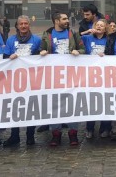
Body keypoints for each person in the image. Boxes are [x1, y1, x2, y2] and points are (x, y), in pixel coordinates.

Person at [40, 11, 85, 146]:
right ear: (56, 20)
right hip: (53, 75)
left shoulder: (73, 33)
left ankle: (73, 133)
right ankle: (56, 134)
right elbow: (41, 50)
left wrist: (78, 52)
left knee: (72, 103)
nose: (67, 21)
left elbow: (83, 49)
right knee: (54, 104)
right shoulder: (47, 34)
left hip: (71, 74)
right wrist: (42, 52)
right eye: (64, 19)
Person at [2, 15, 43, 146]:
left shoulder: (36, 39)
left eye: (26, 23)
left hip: (31, 79)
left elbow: (42, 54)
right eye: (21, 24)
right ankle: (15, 136)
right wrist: (10, 57)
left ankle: (30, 136)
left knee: (31, 107)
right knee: (15, 107)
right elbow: (5, 57)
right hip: (15, 79)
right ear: (17, 26)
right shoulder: (10, 40)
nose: (24, 26)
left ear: (29, 25)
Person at [80, 19, 112, 139]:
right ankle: (90, 128)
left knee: (106, 102)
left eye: (101, 26)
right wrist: (87, 31)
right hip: (91, 75)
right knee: (92, 102)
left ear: (105, 28)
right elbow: (76, 38)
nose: (99, 27)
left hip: (105, 75)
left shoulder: (108, 40)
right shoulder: (88, 38)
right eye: (97, 25)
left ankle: (105, 128)